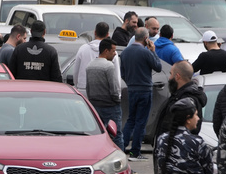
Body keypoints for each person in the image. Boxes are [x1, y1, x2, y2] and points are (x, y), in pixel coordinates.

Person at [121, 27, 163, 160]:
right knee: (141, 121)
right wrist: (153, 51)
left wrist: (130, 82)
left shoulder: (125, 52)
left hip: (132, 88)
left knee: (131, 119)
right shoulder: (146, 52)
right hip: (145, 89)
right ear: (146, 38)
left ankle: (122, 147)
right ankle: (135, 151)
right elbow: (158, 67)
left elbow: (122, 72)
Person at [85, 38, 123, 150]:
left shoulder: (90, 66)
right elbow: (114, 89)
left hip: (95, 105)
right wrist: (117, 100)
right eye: (113, 50)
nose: (115, 53)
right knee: (117, 135)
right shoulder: (109, 66)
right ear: (106, 51)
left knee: (98, 135)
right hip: (110, 106)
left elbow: (88, 88)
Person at [155, 60, 208, 138]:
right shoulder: (178, 95)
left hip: (174, 146)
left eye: (171, 74)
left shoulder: (187, 100)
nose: (169, 78)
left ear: (177, 76)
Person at [71, 22, 119, 91]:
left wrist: (77, 85)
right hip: (103, 90)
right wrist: (118, 93)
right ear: (108, 34)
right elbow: (116, 75)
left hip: (83, 88)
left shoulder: (83, 49)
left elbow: (76, 72)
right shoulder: (112, 52)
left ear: (95, 32)